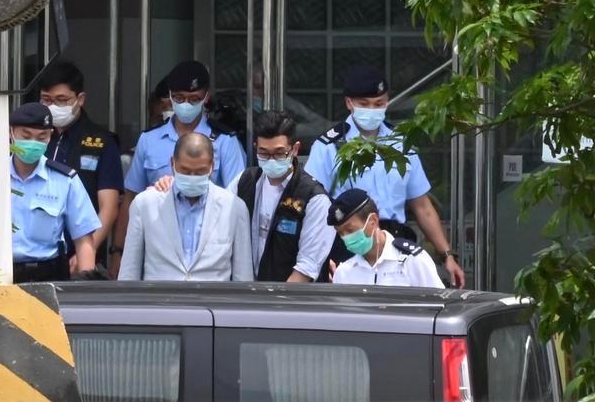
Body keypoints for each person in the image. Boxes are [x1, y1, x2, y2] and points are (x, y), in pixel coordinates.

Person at [303, 67, 465, 288]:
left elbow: (422, 206)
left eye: (379, 104)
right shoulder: (329, 147)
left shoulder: (401, 143)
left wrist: (446, 255)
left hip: (397, 247)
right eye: (364, 104)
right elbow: (313, 207)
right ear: (349, 103)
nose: (372, 110)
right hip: (351, 246)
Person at [154, 111, 335, 282]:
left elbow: (305, 270)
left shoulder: (313, 198)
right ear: (255, 148)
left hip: (291, 302)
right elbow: (212, 208)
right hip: (248, 293)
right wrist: (173, 182)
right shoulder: (245, 181)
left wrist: (276, 305)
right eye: (264, 152)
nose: (271, 159)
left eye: (280, 153)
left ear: (295, 149)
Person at [111, 60, 246, 277]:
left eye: (194, 99)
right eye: (180, 98)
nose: (186, 104)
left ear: (206, 97)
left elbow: (235, 200)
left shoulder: (225, 141)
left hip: (210, 248)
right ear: (171, 97)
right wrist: (118, 251)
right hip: (159, 250)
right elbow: (131, 197)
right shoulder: (149, 140)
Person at [118, 133, 253, 281]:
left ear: (212, 166)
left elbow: (243, 276)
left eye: (200, 171)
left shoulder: (234, 208)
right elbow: (129, 271)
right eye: (185, 171)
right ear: (172, 163)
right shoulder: (145, 204)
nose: (192, 176)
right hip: (160, 302)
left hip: (212, 302)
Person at [38, 61, 123, 272]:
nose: (52, 107)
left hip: (82, 255)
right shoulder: (30, 138)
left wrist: (87, 249)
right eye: (46, 100)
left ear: (80, 99)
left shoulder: (101, 142)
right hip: (37, 254)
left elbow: (109, 207)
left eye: (61, 100)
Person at [10, 102, 102, 282]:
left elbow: (84, 241)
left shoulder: (65, 180)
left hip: (48, 274)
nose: (33, 143)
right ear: (11, 133)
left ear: (50, 136)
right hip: (1, 274)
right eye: (26, 136)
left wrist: (87, 288)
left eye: (41, 137)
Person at [327, 188, 444, 288]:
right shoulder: (344, 272)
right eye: (341, 233)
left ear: (373, 220)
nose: (346, 237)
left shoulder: (411, 260)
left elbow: (439, 304)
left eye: (350, 230)